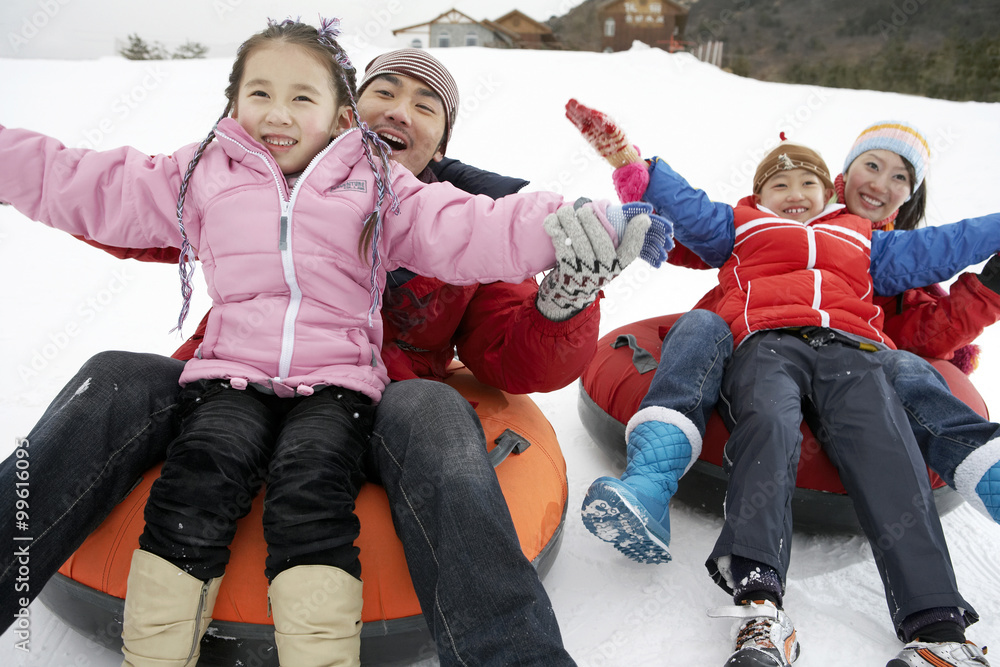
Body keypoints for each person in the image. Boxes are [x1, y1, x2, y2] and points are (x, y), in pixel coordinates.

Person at [0, 20, 664, 666]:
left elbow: (510, 355)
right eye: (385, 91)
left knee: (433, 407)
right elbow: (106, 193)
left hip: (378, 408)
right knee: (113, 373)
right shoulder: (250, 182)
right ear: (346, 115)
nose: (400, 110)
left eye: (424, 103)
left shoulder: (448, 219)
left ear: (439, 145)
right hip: (230, 390)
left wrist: (564, 295)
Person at [570, 104, 997, 665]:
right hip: (764, 344)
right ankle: (758, 606)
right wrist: (630, 161)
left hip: (854, 352)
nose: (794, 191)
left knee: (888, 456)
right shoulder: (741, 226)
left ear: (829, 193)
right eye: (779, 182)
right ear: (758, 195)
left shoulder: (865, 240)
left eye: (807, 182)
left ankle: (939, 629)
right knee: (767, 428)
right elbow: (687, 208)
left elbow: (946, 244)